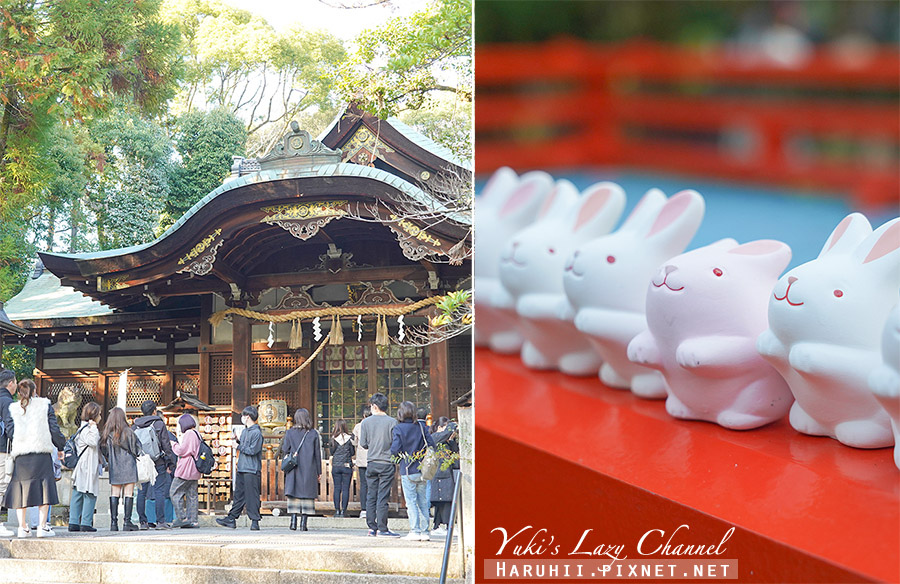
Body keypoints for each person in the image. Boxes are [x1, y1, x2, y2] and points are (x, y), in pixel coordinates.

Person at [3, 379, 66, 538]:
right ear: (34, 390)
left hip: (22, 454)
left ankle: (22, 527)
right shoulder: (44, 406)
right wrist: (60, 446)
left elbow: (10, 431)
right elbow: (54, 429)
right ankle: (42, 526)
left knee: (21, 489)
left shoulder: (14, 408)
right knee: (43, 488)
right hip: (41, 452)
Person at [391, 401, 436, 541]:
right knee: (423, 501)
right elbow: (432, 445)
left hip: (407, 468)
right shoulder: (421, 427)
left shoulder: (398, 428)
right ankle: (425, 532)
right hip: (422, 469)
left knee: (411, 502)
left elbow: (394, 449)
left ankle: (414, 530)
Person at [216, 406, 263, 530]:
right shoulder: (246, 431)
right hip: (242, 467)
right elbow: (244, 446)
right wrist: (238, 441)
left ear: (247, 417)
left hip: (252, 469)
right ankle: (231, 518)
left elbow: (253, 450)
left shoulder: (257, 432)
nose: (242, 418)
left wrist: (237, 446)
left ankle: (255, 521)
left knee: (251, 496)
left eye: (243, 416)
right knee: (239, 495)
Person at [359, 392, 398, 537]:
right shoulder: (392, 422)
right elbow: (395, 443)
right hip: (387, 462)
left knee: (371, 495)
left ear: (374, 406)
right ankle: (382, 528)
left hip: (372, 461)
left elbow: (363, 444)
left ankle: (371, 527)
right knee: (383, 496)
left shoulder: (366, 422)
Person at [133, 400, 175, 530]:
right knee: (159, 491)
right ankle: (160, 521)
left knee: (142, 491)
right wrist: (171, 461)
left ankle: (143, 522)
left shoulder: (135, 426)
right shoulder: (158, 423)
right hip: (158, 461)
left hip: (143, 461)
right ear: (154, 411)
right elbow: (166, 444)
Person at [101, 407, 142, 532]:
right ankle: (127, 522)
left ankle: (113, 523)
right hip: (128, 464)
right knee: (128, 494)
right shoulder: (129, 432)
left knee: (114, 493)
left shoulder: (106, 434)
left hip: (115, 465)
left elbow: (104, 451)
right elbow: (137, 449)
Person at [281, 408, 321, 531]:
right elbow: (317, 454)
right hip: (309, 468)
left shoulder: (290, 433)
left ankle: (293, 521)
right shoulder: (313, 433)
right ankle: (304, 524)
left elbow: (285, 449)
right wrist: (319, 471)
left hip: (294, 467)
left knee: (294, 494)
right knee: (307, 495)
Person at [69, 401, 102, 532]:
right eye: (99, 414)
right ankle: (86, 523)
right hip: (87, 465)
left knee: (78, 493)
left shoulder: (81, 428)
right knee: (89, 493)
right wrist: (94, 427)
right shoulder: (88, 429)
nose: (100, 416)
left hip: (82, 464)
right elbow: (93, 442)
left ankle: (73, 522)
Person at [170, 414, 200, 529]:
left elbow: (182, 451)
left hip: (186, 468)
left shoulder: (188, 434)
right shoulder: (197, 433)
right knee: (192, 494)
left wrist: (174, 444)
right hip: (194, 468)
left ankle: (182, 518)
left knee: (174, 492)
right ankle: (193, 520)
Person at [430, 417, 459, 536]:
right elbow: (442, 435)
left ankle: (440, 526)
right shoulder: (435, 437)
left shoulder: (447, 440)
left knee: (446, 500)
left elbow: (455, 453)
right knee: (443, 501)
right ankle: (442, 526)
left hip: (447, 473)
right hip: (439, 473)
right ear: (439, 428)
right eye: (445, 427)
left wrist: (452, 441)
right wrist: (452, 428)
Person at [0, 369, 17, 537]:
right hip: (2, 449)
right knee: (1, 486)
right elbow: (10, 427)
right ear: (10, 383)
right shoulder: (7, 402)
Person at [329, 419, 354, 518]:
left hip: (336, 466)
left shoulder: (333, 439)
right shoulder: (349, 438)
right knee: (345, 489)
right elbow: (352, 452)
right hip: (346, 465)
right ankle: (344, 511)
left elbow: (332, 452)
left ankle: (337, 511)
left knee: (337, 488)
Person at [351, 406, 370, 519]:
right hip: (374, 459)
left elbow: (353, 441)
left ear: (363, 415)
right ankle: (373, 509)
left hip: (362, 459)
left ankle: (364, 509)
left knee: (363, 485)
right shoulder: (375, 425)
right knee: (373, 485)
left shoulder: (358, 426)